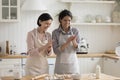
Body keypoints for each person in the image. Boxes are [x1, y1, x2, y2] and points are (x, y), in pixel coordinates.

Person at [52, 9, 81, 74]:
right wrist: (67, 42)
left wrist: (74, 41)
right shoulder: (55, 33)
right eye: (65, 20)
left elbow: (78, 49)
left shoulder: (75, 31)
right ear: (60, 20)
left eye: (69, 20)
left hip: (73, 66)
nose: (67, 22)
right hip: (60, 67)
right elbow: (56, 51)